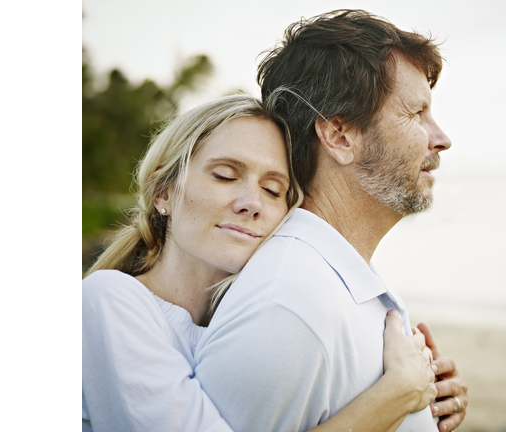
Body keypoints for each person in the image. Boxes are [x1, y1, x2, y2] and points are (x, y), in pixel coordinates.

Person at [82, 94, 439, 431]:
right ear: (164, 191)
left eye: (273, 190)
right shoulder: (109, 300)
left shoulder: (247, 320)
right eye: (224, 175)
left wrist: (428, 402)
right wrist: (398, 394)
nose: (251, 203)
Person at [193, 10, 468, 432]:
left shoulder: (333, 278)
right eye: (416, 114)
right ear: (339, 136)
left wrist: (421, 413)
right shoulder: (288, 304)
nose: (441, 139)